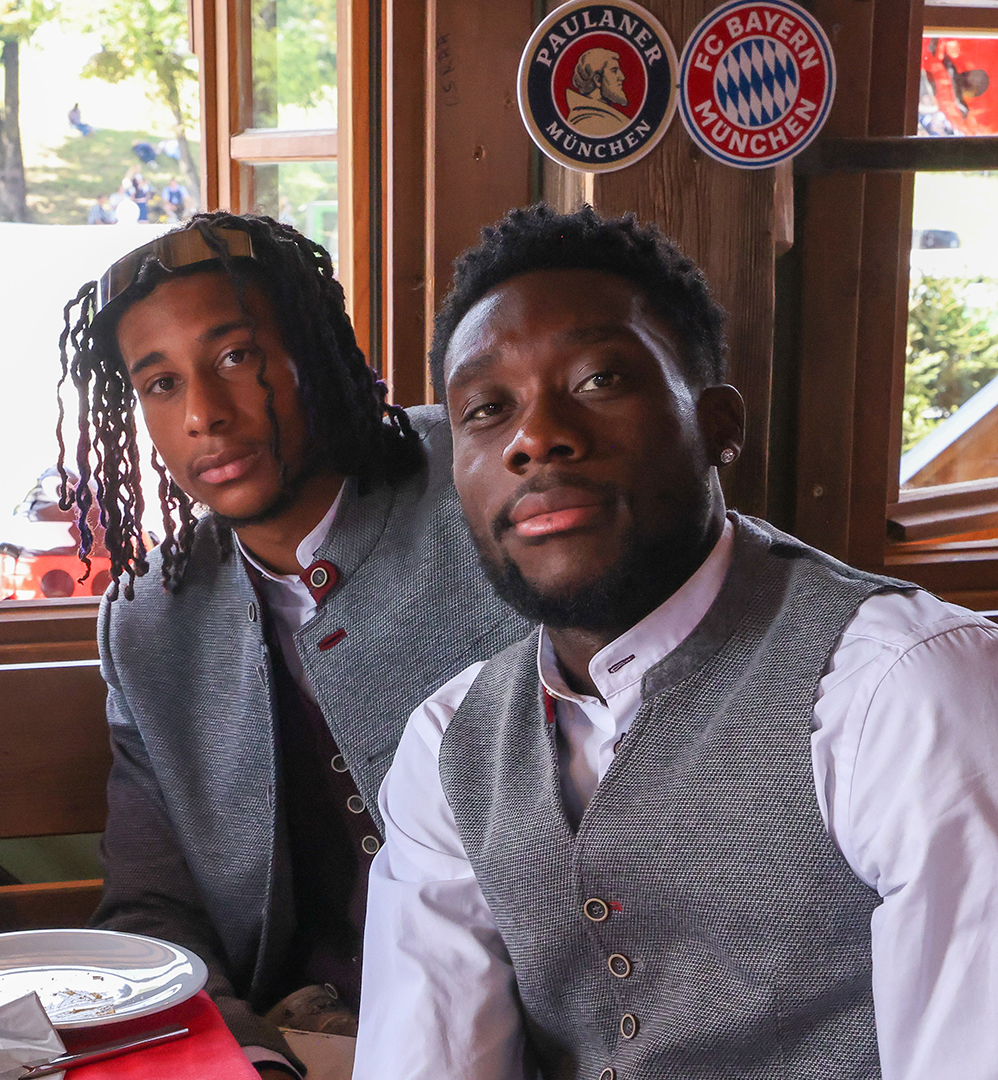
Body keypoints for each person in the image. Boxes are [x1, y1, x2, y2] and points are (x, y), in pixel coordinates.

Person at [356, 206, 998, 1079]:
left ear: (720, 426)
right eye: (486, 408)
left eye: (597, 379)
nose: (535, 436)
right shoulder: (447, 743)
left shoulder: (904, 689)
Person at [54, 214, 527, 1076]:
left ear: (313, 346)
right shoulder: (150, 622)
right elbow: (153, 911)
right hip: (304, 1037)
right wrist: (247, 1059)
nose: (203, 414)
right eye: (159, 384)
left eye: (236, 357)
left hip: (535, 1029)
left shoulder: (480, 479)